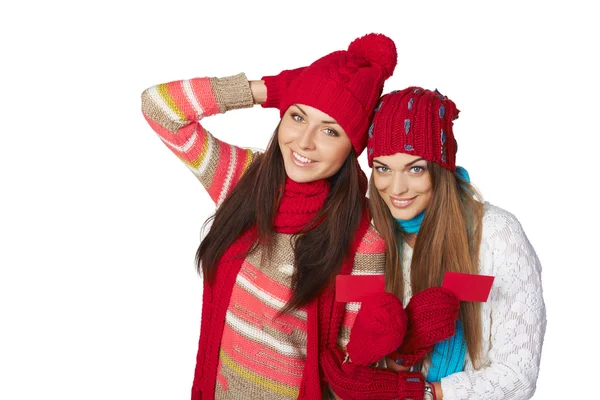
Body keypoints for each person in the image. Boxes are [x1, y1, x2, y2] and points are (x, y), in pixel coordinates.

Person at [140, 33, 407, 399]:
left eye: (330, 130)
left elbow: (350, 366)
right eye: (298, 116)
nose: (304, 142)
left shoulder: (361, 241)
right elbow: (160, 108)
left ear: (352, 147)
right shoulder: (241, 179)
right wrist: (267, 89)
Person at [350, 86, 547, 399]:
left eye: (415, 168)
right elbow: (345, 340)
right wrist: (398, 357)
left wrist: (421, 393)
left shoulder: (496, 235)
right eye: (383, 168)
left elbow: (517, 377)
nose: (396, 188)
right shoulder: (367, 234)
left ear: (441, 169)